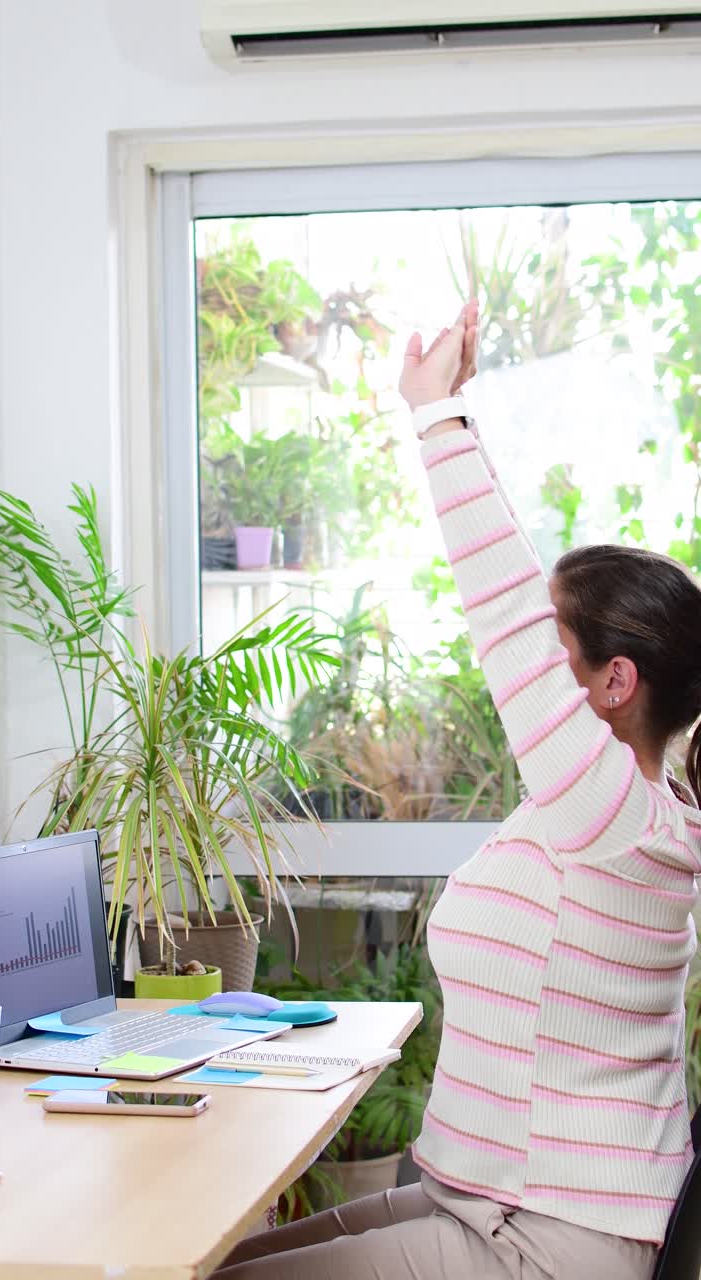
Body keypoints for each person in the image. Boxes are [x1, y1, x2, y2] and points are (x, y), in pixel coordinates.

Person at [216, 301, 701, 1279]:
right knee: (212, 1263)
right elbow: (531, 605)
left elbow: (509, 610)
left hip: (558, 1238)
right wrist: (464, 416)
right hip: (482, 1197)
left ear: (616, 683)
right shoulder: (599, 813)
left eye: (555, 654)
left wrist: (435, 415)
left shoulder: (619, 818)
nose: (521, 682)